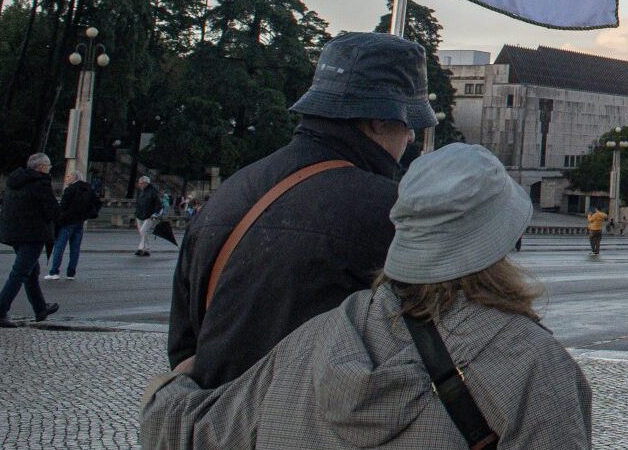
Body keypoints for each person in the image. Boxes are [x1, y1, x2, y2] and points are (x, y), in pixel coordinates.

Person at [141, 144, 591, 450]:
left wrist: (172, 385)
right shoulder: (532, 365)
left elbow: (195, 437)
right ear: (503, 240)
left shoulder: (315, 340)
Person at [167, 32, 437, 389]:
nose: (411, 137)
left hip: (221, 416)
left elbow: (184, 351)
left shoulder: (228, 193)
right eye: (408, 123)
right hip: (318, 419)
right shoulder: (390, 211)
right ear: (379, 119)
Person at [0, 153, 60, 327]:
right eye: (48, 166)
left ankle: (40, 308)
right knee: (19, 274)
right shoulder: (40, 183)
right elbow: (52, 210)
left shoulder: (14, 181)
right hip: (33, 234)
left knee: (31, 272)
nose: (49, 169)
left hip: (14, 233)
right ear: (41, 167)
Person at [48, 170, 98, 281]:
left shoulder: (70, 189)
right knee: (75, 249)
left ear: (74, 178)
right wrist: (86, 214)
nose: (66, 178)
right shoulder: (88, 189)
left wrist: (59, 218)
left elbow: (63, 206)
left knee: (59, 247)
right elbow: (96, 203)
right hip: (79, 222)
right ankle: (71, 273)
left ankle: (54, 272)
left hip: (67, 222)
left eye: (68, 176)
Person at [134, 175, 165, 257]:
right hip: (140, 214)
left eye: (141, 183)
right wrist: (136, 213)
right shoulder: (140, 192)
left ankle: (141, 248)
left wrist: (155, 214)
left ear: (146, 183)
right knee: (143, 232)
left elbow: (159, 205)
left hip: (150, 216)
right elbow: (138, 203)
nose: (139, 184)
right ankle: (147, 249)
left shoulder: (153, 192)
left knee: (143, 231)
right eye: (139, 183)